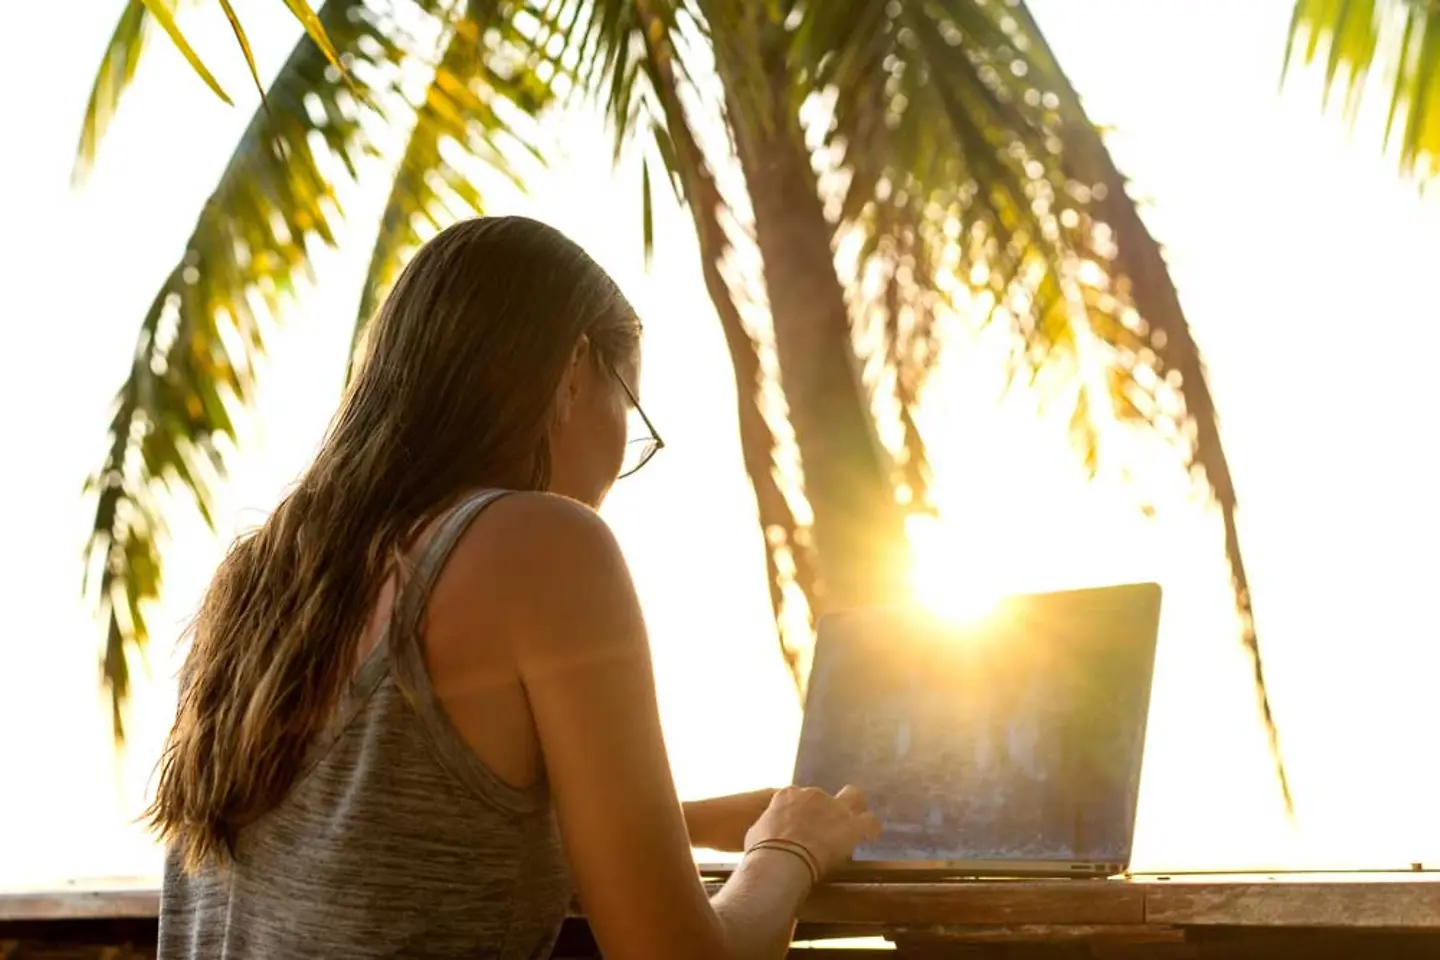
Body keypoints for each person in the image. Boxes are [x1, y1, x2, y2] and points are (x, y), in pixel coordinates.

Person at [149, 216, 881, 959]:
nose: (619, 463)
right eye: (629, 410)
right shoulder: (543, 544)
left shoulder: (258, 583)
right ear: (575, 369)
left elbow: (385, 846)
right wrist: (787, 852)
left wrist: (687, 822)